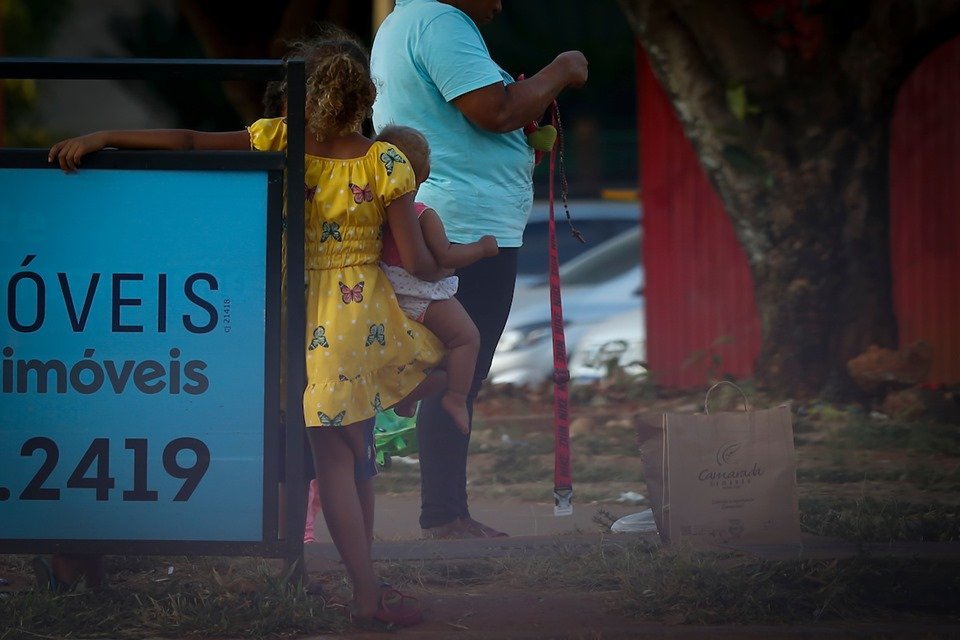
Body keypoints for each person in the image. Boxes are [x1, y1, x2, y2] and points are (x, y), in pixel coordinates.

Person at [48, 26, 448, 626]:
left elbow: (187, 140)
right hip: (363, 314)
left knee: (333, 457)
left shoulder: (280, 141)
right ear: (364, 97)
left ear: (304, 98)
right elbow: (416, 262)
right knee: (356, 454)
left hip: (298, 311)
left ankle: (364, 591)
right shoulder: (384, 160)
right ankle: (368, 587)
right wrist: (451, 258)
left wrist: (104, 135)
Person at [371, 0, 588, 539]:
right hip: (465, 229)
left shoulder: (404, 22)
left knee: (444, 370)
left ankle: (442, 511)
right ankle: (444, 517)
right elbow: (495, 111)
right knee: (455, 372)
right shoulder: (439, 22)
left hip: (449, 217)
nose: (500, 2)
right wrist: (560, 70)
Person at [374, 124, 499, 435]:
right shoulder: (421, 214)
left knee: (425, 354)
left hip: (388, 295)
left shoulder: (373, 212)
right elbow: (445, 256)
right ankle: (456, 398)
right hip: (420, 295)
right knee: (466, 338)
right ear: (424, 173)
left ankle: (406, 401)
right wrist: (481, 248)